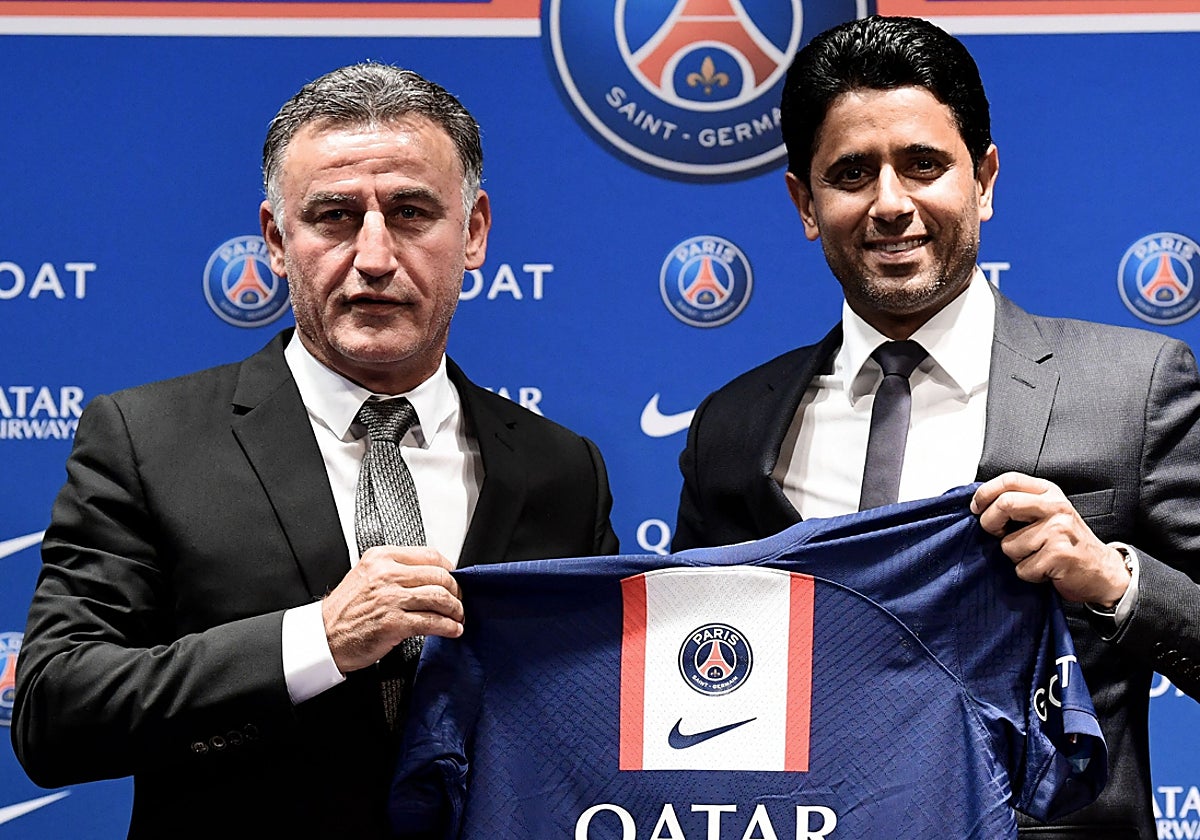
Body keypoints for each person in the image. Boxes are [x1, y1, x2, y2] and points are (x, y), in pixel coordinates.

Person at [12, 62, 618, 839]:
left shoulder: (563, 469)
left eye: (410, 212)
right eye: (333, 215)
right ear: (274, 238)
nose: (372, 256)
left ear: (472, 232)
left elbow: (593, 728)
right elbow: (55, 711)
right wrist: (318, 640)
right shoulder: (148, 441)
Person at [672, 16, 1200, 840]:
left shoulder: (1133, 389)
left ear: (984, 179)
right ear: (804, 203)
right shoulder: (732, 429)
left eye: (923, 165)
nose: (891, 204)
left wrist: (1114, 579)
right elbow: (687, 677)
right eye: (852, 174)